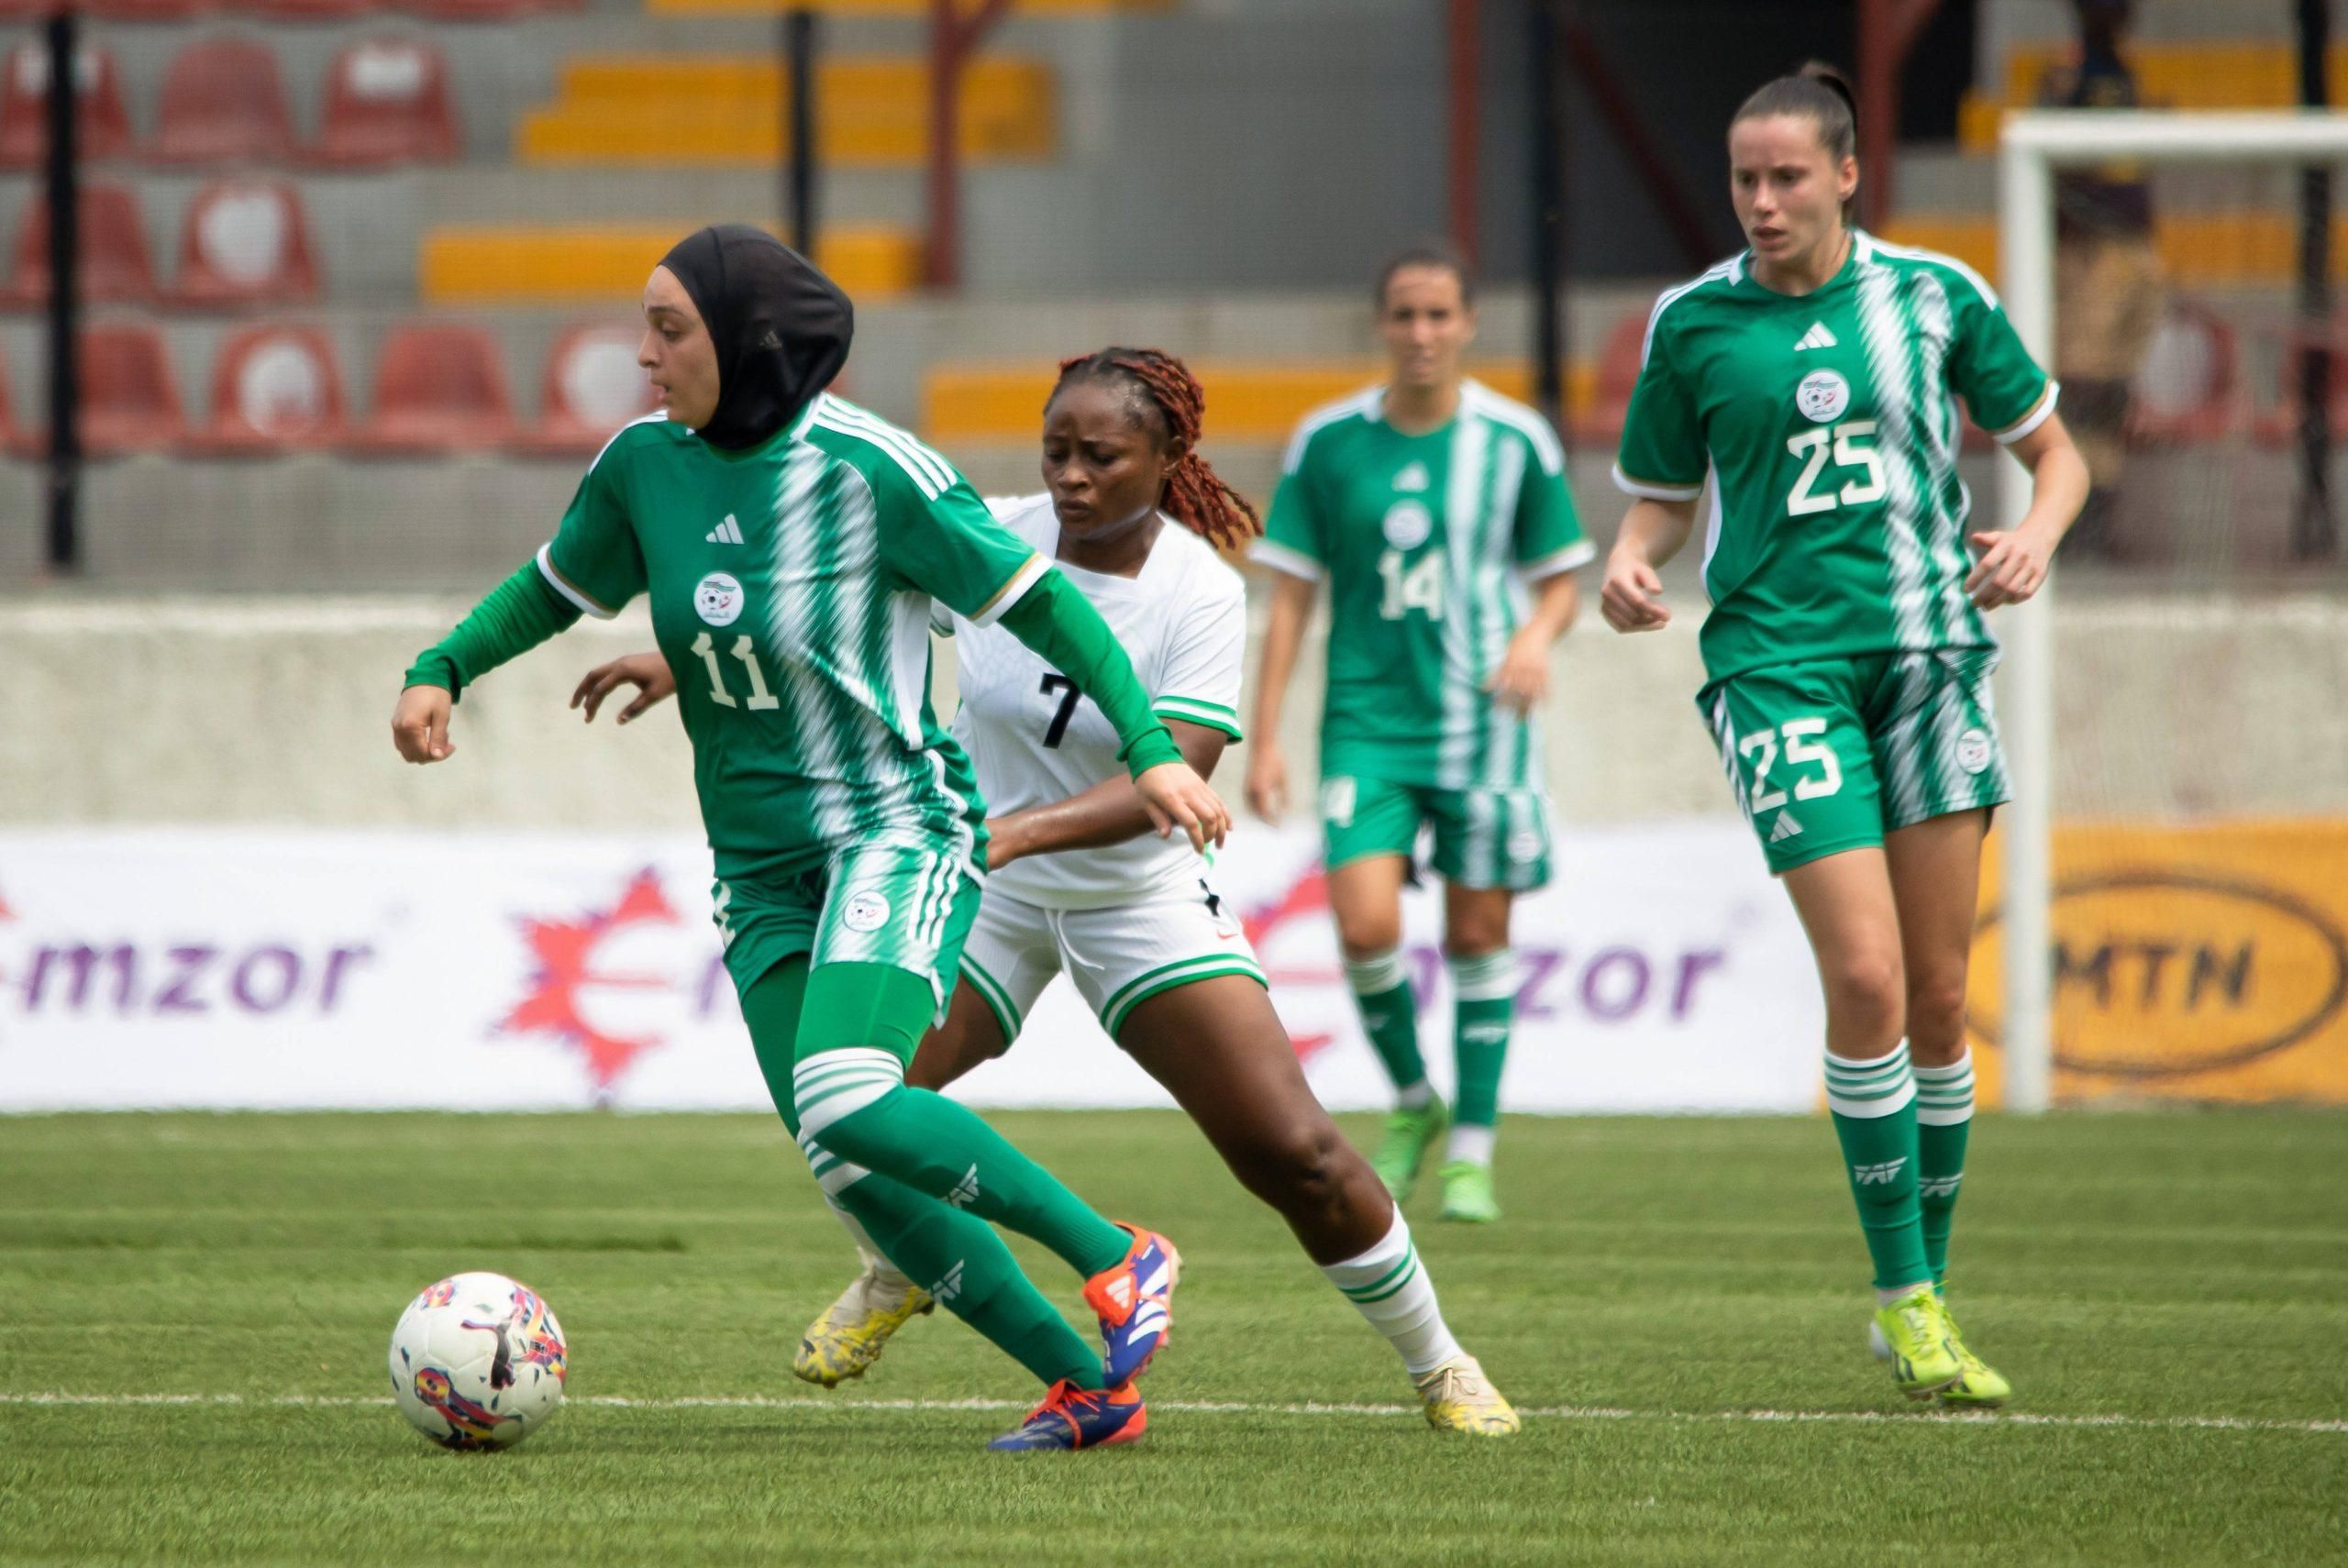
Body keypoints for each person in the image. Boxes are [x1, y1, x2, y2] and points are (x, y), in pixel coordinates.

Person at [391, 226, 1235, 1452]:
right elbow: (555, 586)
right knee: (845, 1156)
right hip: (758, 863)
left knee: (850, 1092)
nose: (644, 354)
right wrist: (444, 666)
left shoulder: (872, 469)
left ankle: (1119, 1252)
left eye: (669, 329)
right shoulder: (643, 464)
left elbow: (1046, 603)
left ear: (748, 342)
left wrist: (1151, 747)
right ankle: (1087, 1389)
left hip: (894, 830)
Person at [573, 347, 1521, 1435]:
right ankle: (908, 1268)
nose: (1071, 475)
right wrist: (684, 657)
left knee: (1293, 1153)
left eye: (1100, 457)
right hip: (986, 889)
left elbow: (1179, 769)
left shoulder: (1200, 592)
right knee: (846, 1102)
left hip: (1133, 897)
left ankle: (1441, 1365)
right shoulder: (995, 531)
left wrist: (1014, 835)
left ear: (1167, 458)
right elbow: (836, 604)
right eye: (1056, 450)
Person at [1601, 66, 2090, 1407]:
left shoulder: (1935, 296)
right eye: (1744, 179)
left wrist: (2034, 537)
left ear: (1847, 175)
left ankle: (1925, 1279)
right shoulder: (1694, 321)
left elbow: (2058, 456)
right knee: (1866, 977)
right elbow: (1659, 497)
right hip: (1778, 669)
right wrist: (1630, 561)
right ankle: (1905, 1296)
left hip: (1930, 661)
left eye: (1787, 177)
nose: (1761, 202)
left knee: (1937, 998)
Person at [1246, 245, 1591, 1224]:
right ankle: (1412, 1097)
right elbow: (1290, 599)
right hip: (1365, 724)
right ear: (1380, 324)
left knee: (1479, 934)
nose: (1421, 333)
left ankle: (1473, 1148)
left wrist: (1534, 637)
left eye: (1439, 314)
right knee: (1364, 926)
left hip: (1483, 723)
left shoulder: (1515, 441)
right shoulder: (1328, 443)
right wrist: (1263, 738)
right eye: (1404, 314)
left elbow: (1560, 581)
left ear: (1469, 323)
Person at [2033, 0, 2161, 558]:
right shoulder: (2067, 81)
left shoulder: (2127, 77)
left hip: (2135, 248)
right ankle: (2077, 520)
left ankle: (2100, 511)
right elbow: (2050, 167)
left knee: (2115, 388)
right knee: (2084, 384)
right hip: (2090, 252)